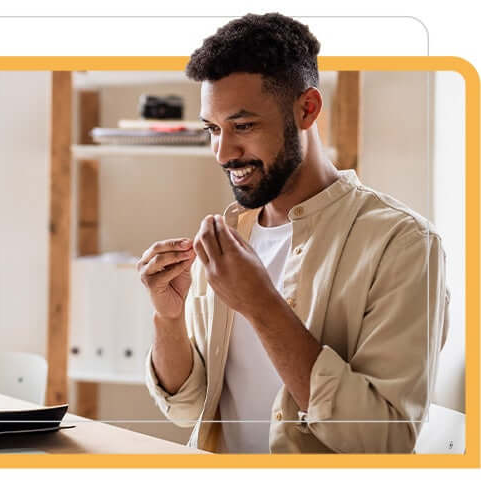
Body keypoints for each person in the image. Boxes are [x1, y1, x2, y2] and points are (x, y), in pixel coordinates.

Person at [138, 12, 449, 453]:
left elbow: (386, 441)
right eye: (213, 129)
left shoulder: (403, 244)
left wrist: (262, 305)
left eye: (243, 126)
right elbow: (187, 408)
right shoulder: (228, 237)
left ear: (307, 109)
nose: (223, 152)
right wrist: (168, 318)